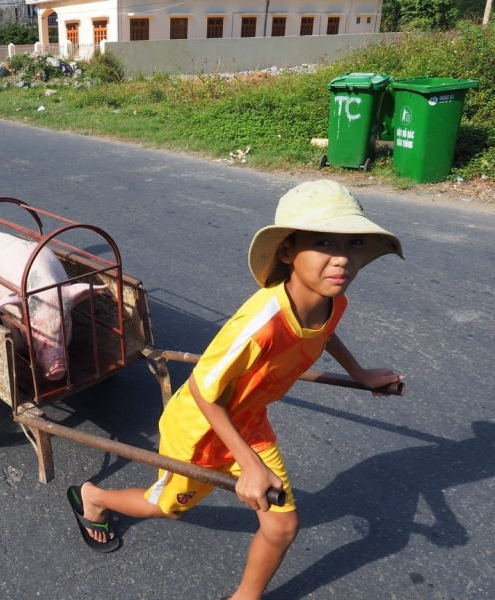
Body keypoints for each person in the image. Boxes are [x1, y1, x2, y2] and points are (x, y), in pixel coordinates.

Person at [66, 179, 405, 599]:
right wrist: (248, 464)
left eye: (354, 242)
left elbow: (324, 333)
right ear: (287, 251)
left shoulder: (332, 300)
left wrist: (361, 374)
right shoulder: (259, 325)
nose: (343, 260)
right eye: (323, 242)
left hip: (249, 422)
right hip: (200, 428)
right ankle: (94, 496)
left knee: (282, 525)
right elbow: (203, 391)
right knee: (168, 508)